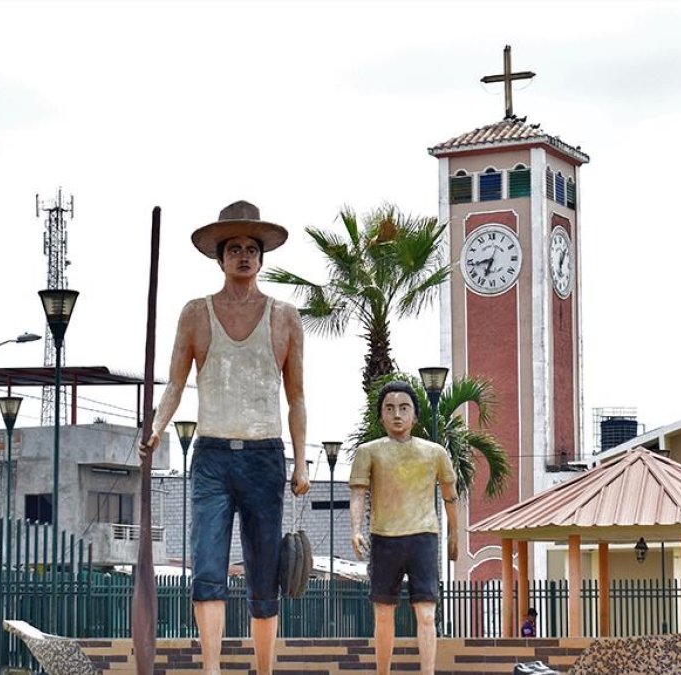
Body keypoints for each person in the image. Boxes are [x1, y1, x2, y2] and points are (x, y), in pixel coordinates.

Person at [141, 200, 310, 675]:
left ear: (261, 258)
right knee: (208, 566)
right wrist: (155, 429)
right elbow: (175, 383)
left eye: (251, 249)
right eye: (233, 248)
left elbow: (297, 396)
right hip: (212, 454)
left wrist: (300, 462)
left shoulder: (284, 317)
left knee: (264, 572)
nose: (242, 256)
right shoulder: (196, 313)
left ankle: (264, 668)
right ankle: (211, 669)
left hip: (264, 455)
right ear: (220, 258)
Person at [349, 380, 457, 675]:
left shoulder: (435, 453)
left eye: (404, 408)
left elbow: (450, 495)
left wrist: (455, 532)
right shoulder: (367, 452)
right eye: (390, 408)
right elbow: (358, 492)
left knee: (426, 613)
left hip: (423, 537)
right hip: (384, 538)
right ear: (381, 415)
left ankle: (428, 672)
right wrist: (355, 528)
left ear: (415, 415)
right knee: (383, 614)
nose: (397, 414)